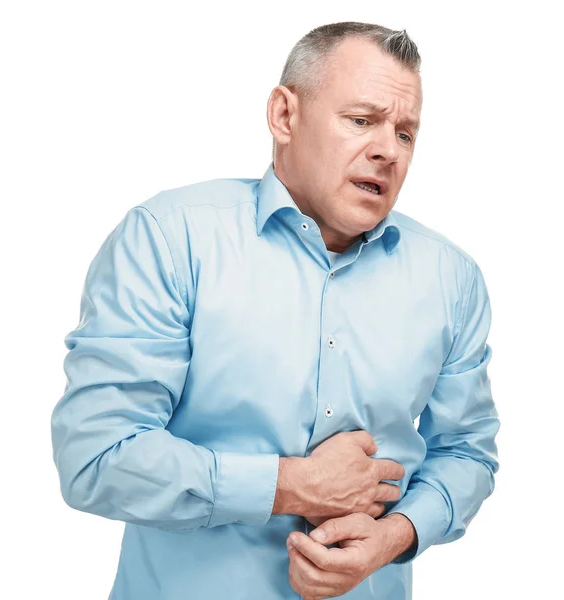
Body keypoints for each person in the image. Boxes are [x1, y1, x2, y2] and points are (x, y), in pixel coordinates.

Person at [51, 21, 500, 600]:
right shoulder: (170, 240)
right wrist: (292, 486)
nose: (388, 150)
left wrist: (396, 534)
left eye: (406, 133)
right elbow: (95, 456)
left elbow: (466, 451)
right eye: (361, 121)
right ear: (285, 116)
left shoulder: (451, 279)